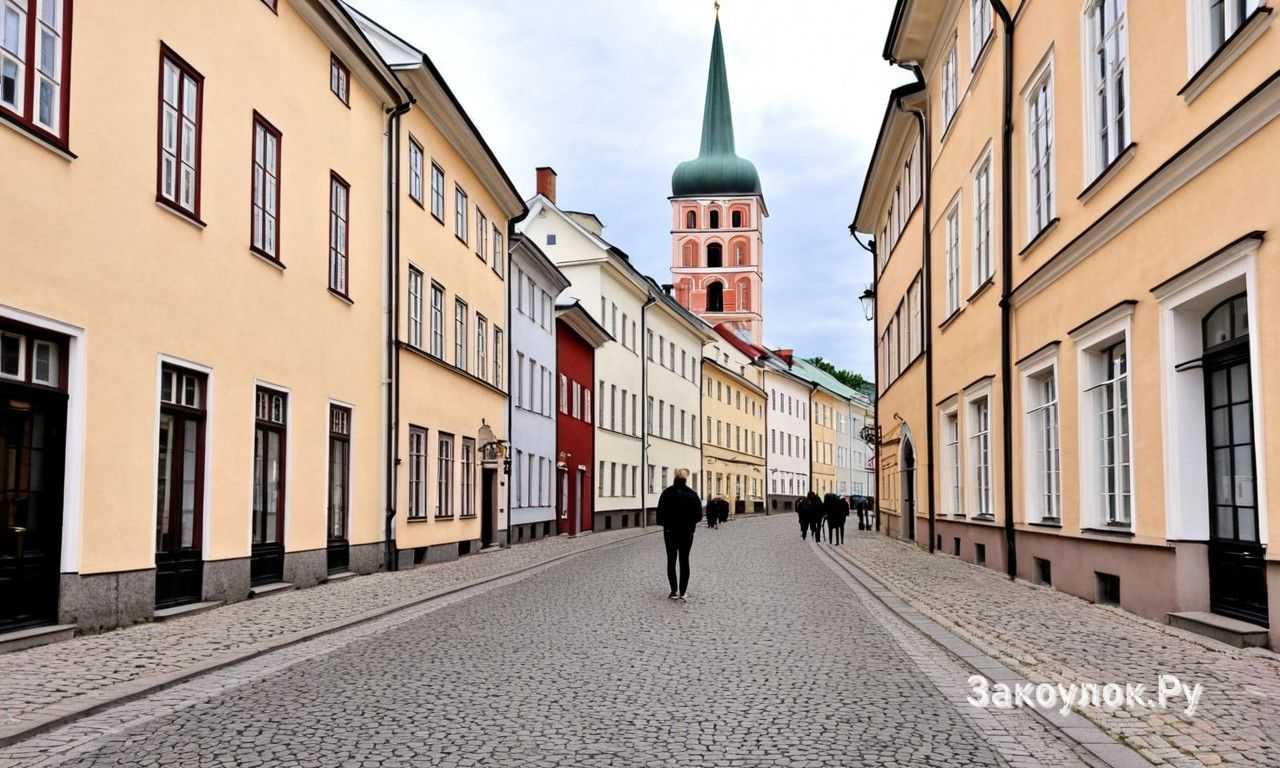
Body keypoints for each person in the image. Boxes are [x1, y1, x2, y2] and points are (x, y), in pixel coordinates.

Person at [657, 468, 702, 600]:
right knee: (684, 560)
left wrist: (667, 524)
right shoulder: (692, 494)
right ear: (685, 479)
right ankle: (683, 592)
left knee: (671, 560)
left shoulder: (667, 493)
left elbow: (660, 514)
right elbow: (699, 515)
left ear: (674, 478)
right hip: (687, 532)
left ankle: (673, 591)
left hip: (670, 532)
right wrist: (690, 524)